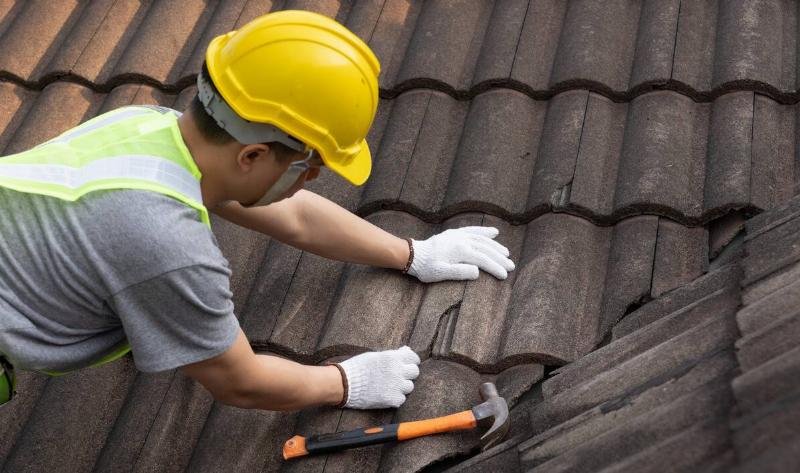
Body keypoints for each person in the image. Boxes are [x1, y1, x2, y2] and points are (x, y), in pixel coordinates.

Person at [0, 11, 514, 411]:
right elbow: (237, 380)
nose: (311, 180)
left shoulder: (148, 125)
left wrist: (411, 253)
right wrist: (343, 382)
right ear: (251, 155)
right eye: (310, 166)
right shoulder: (166, 246)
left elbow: (295, 217)